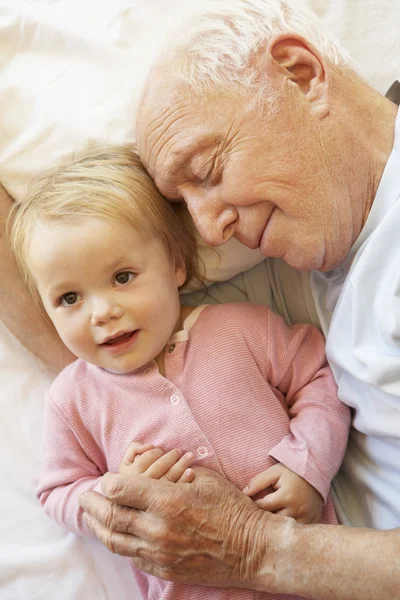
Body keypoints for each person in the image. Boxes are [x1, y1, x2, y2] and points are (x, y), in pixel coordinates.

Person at [77, 1, 400, 599]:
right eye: (184, 203)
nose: (208, 231)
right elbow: (98, 341)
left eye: (208, 169)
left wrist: (257, 548)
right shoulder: (310, 258)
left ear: (301, 75)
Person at [9, 145, 349, 600]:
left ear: (175, 264)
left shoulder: (242, 329)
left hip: (316, 575)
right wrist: (114, 493)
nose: (102, 312)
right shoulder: (73, 398)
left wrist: (308, 465)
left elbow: (318, 378)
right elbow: (58, 492)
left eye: (123, 277)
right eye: (69, 298)